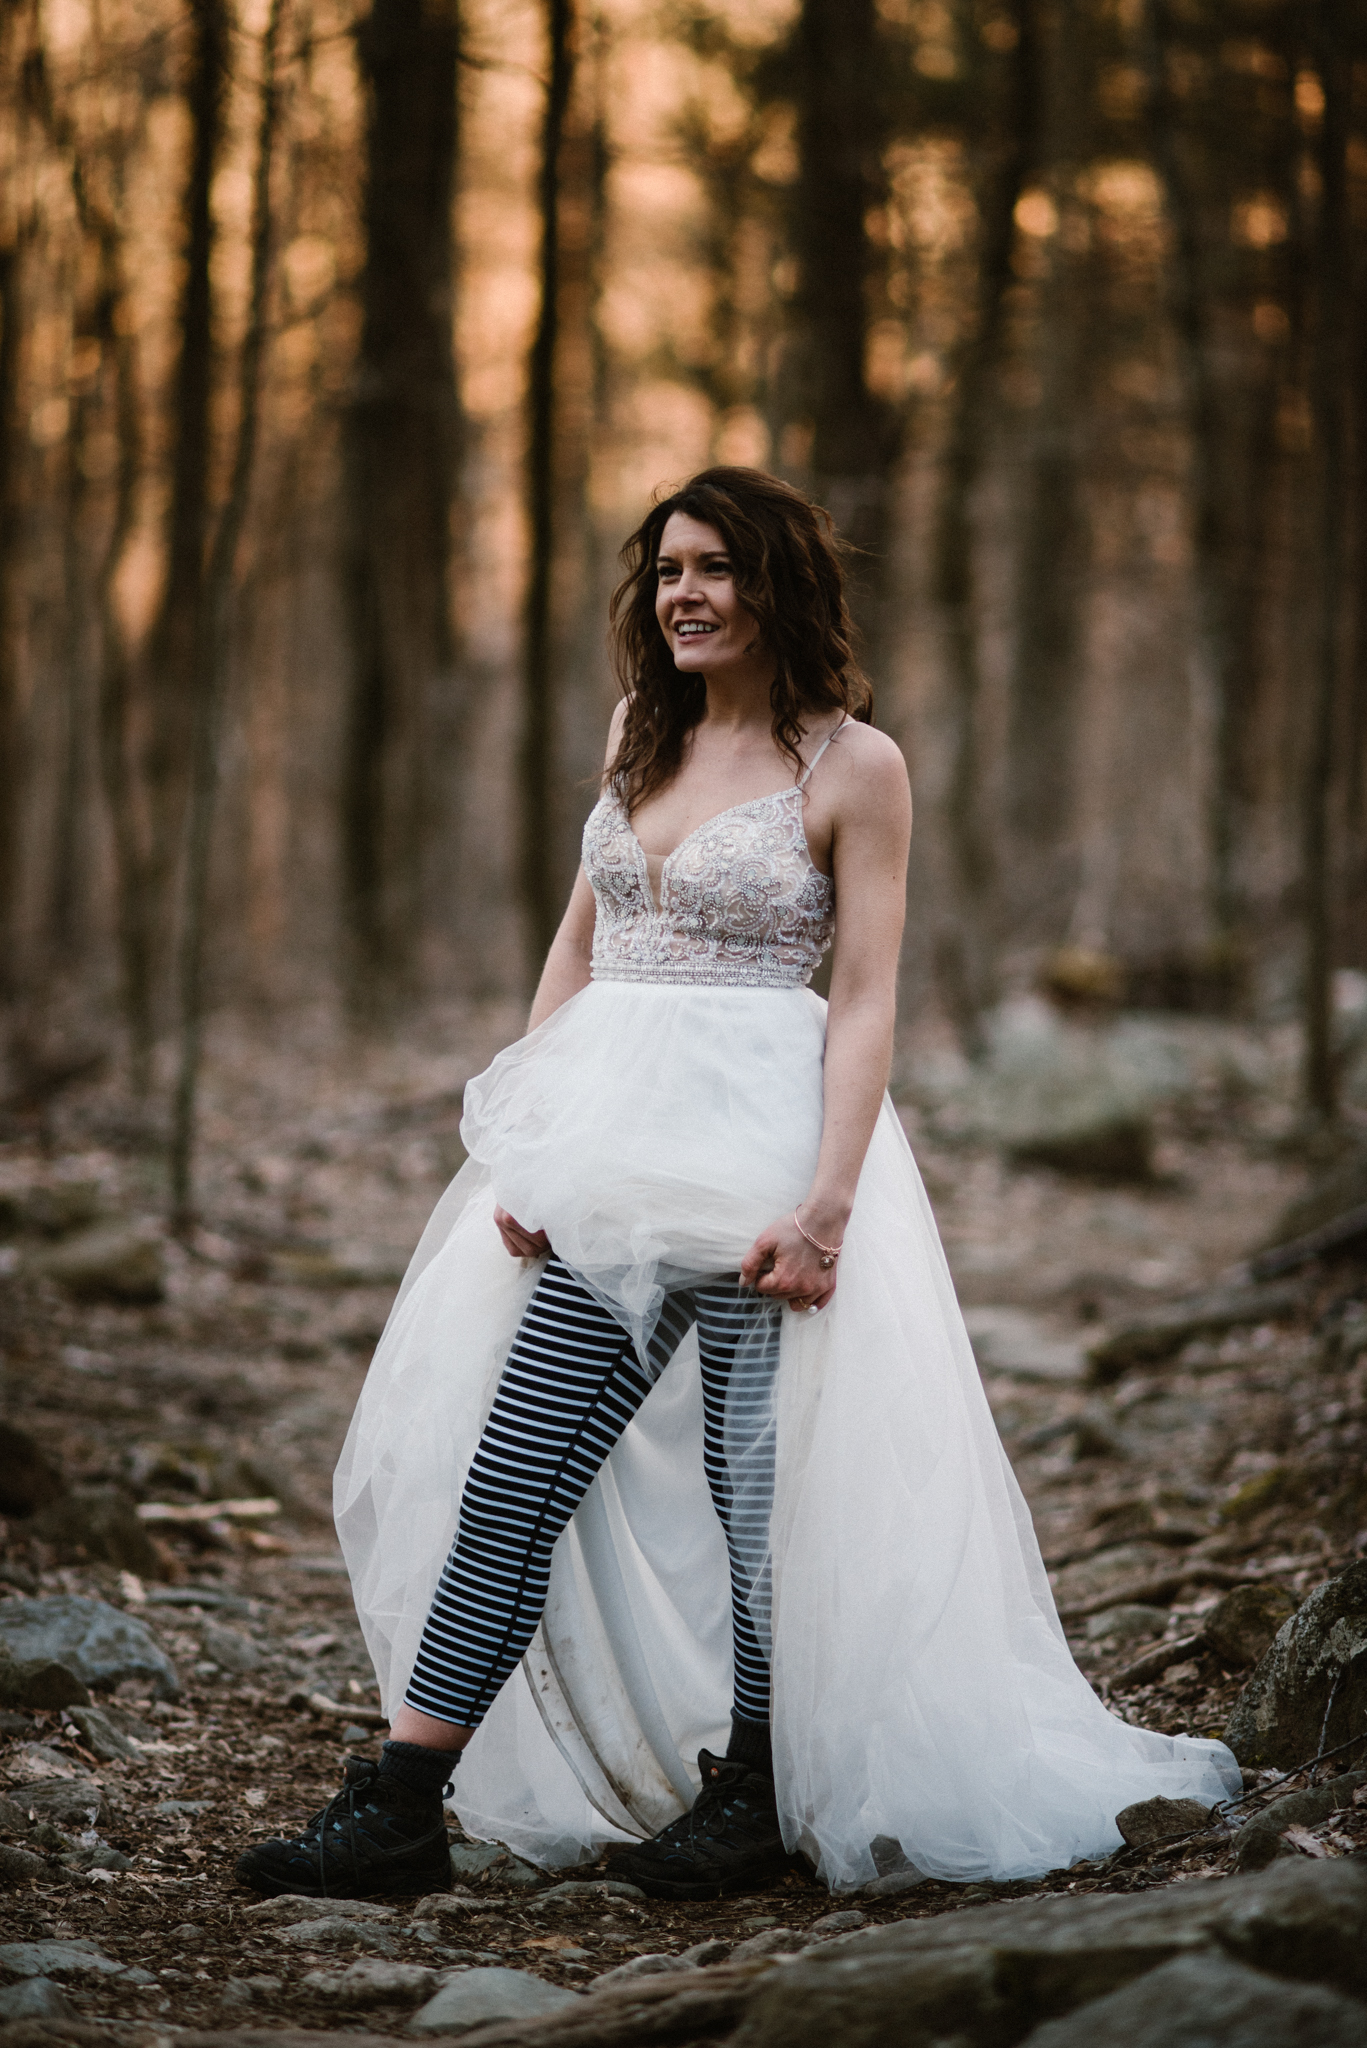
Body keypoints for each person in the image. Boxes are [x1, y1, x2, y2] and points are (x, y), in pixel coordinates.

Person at [236, 467, 1240, 1904]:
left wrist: (829, 1199)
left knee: (759, 1493)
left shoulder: (854, 765)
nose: (685, 594)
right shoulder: (637, 736)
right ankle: (401, 1798)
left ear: (779, 587)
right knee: (513, 1473)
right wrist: (530, 1142)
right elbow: (575, 948)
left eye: (715, 567)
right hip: (608, 1159)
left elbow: (869, 996)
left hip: (765, 1158)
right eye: (665, 572)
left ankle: (755, 1793)